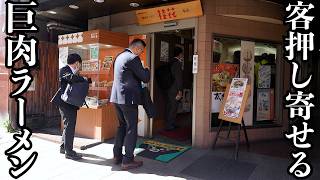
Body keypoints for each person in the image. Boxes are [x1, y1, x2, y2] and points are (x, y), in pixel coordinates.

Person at [110, 39, 150, 170]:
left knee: (122, 126)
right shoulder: (133, 58)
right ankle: (127, 160)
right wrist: (147, 70)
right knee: (131, 127)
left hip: (116, 98)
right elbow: (145, 77)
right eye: (141, 51)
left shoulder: (119, 56)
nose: (141, 53)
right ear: (137, 48)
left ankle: (117, 156)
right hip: (128, 99)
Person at [51, 53, 87, 160]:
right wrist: (82, 78)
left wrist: (82, 78)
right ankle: (69, 152)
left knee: (68, 126)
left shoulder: (74, 72)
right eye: (79, 63)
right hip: (65, 104)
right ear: (77, 62)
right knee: (70, 126)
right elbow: (72, 79)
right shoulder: (64, 70)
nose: (80, 66)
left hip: (71, 103)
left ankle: (63, 147)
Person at [165, 46, 183, 131]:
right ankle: (170, 125)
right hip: (174, 88)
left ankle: (169, 123)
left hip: (168, 87)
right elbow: (178, 78)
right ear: (180, 54)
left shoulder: (169, 62)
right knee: (173, 107)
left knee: (169, 106)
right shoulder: (177, 63)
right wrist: (180, 90)